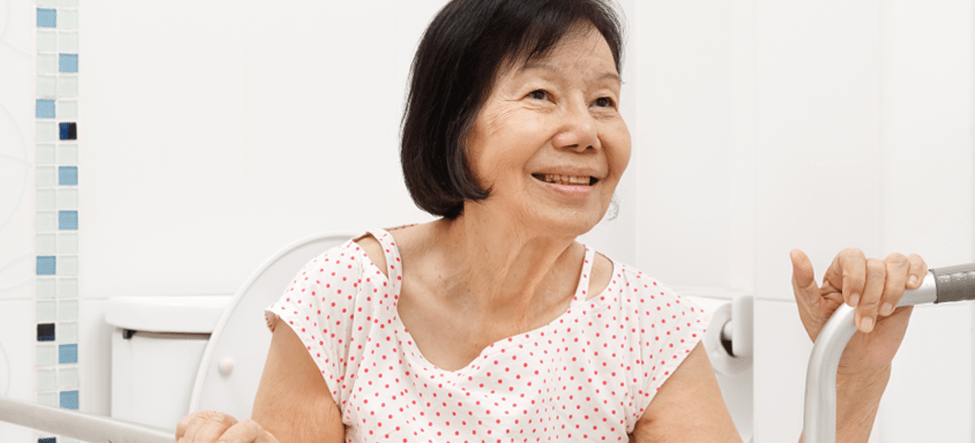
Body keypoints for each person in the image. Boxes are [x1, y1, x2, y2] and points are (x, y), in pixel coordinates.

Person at [175, 0, 928, 441]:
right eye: (541, 95)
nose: (587, 130)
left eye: (604, 100)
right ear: (457, 124)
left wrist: (851, 378)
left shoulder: (645, 329)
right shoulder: (345, 298)